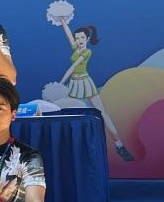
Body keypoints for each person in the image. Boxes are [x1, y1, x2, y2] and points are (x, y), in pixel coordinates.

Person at [56, 19, 133, 161]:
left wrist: (60, 83)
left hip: (85, 82)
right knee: (70, 113)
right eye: (77, 38)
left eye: (82, 38)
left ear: (87, 39)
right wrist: (63, 21)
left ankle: (119, 144)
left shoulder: (87, 52)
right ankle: (70, 148)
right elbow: (68, 35)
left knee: (102, 112)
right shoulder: (76, 48)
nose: (79, 40)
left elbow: (73, 67)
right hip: (74, 84)